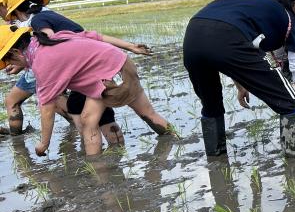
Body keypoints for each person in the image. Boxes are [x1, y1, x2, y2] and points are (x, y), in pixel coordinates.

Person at [0, 25, 170, 157]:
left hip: (111, 77)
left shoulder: (42, 61)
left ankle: (97, 166)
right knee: (146, 113)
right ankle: (173, 139)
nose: (9, 65)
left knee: (89, 123)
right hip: (120, 64)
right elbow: (93, 36)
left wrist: (44, 144)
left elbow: (47, 109)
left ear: (15, 52)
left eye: (7, 60)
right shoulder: (51, 39)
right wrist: (130, 47)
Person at [182, 0, 295, 159]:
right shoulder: (288, 19)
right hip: (228, 35)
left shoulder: (256, 5)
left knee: (211, 106)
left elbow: (230, 49)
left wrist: (240, 85)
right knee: (291, 102)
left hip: (192, 36)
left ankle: (216, 163)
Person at [4, 0, 133, 143]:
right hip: (91, 64)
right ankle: (111, 150)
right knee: (85, 108)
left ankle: (92, 150)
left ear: (14, 9)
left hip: (74, 68)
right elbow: (84, 36)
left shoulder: (35, 22)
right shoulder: (47, 14)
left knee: (77, 110)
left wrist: (44, 143)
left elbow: (49, 48)